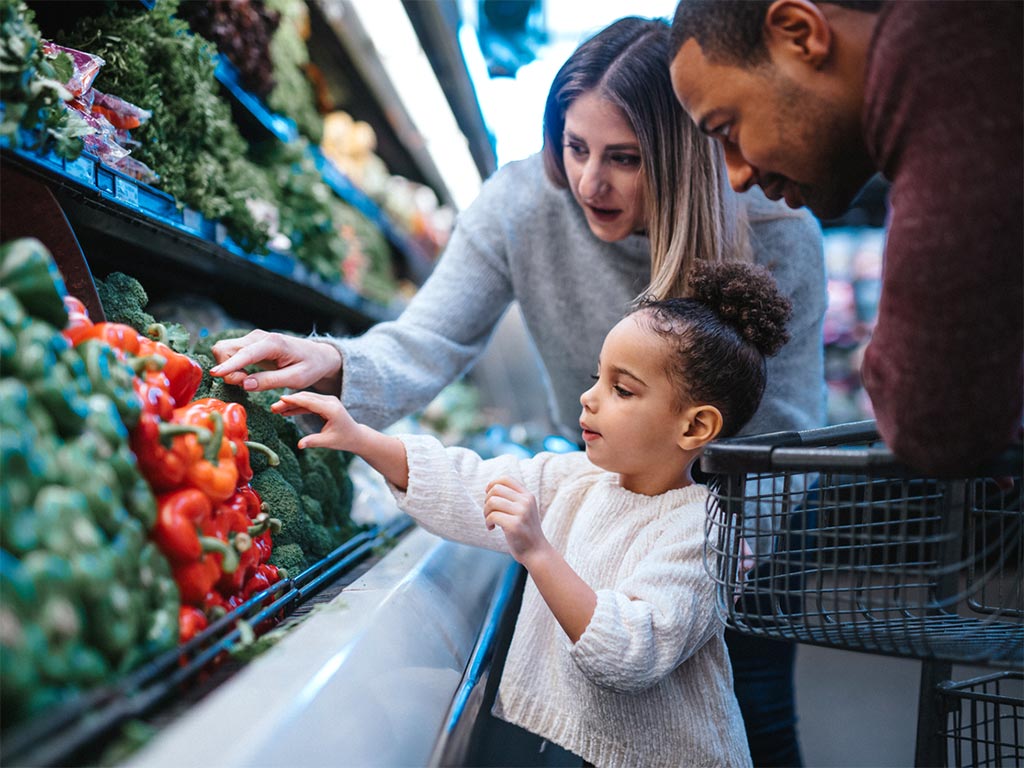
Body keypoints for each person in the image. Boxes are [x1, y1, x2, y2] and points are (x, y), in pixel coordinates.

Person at [211, 17, 826, 765]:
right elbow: (428, 338)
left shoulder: (775, 230)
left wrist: (705, 553)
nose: (590, 181)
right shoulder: (523, 204)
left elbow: (786, 429)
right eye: (574, 147)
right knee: (606, 726)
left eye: (625, 158)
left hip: (736, 527)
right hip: (607, 486)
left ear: (678, 156)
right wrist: (329, 363)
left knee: (748, 716)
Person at [271, 261, 793, 768]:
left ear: (695, 427)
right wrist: (360, 438)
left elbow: (630, 653)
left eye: (622, 388)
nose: (588, 398)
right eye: (597, 377)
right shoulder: (576, 479)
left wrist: (538, 552)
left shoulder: (701, 534)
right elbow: (466, 483)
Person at [668, 0, 1023, 477]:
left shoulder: (948, 64)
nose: (736, 175)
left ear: (799, 34)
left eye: (727, 128)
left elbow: (934, 418)